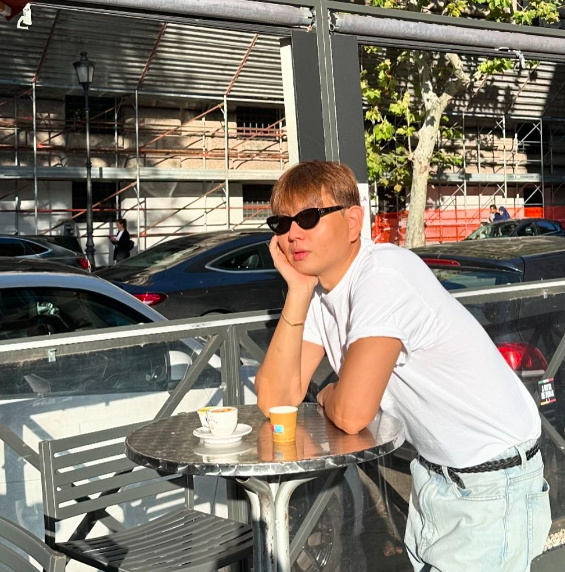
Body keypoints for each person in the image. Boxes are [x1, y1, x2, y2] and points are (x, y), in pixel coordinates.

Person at [255, 160, 550, 572]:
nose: (292, 234)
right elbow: (275, 400)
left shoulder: (384, 273)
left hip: (491, 481)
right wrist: (297, 292)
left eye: (307, 218)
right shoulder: (321, 295)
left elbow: (352, 413)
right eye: (281, 223)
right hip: (438, 476)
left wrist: (326, 394)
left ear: (353, 221)